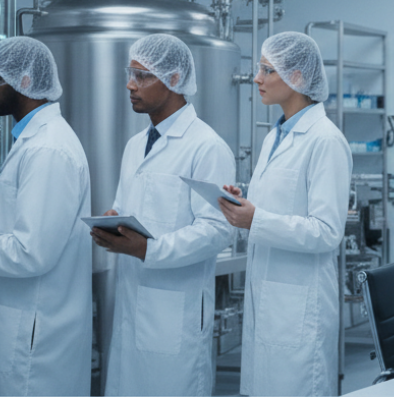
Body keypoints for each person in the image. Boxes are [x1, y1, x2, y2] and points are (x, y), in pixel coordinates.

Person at [90, 34, 236, 396]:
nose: (130, 85)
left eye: (142, 76)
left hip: (175, 314)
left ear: (174, 79)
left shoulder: (207, 147)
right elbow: (127, 206)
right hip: (131, 302)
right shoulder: (135, 145)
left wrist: (147, 249)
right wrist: (114, 220)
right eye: (130, 74)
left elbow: (217, 230)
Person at [217, 32, 352, 396]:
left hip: (299, 309)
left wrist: (255, 219)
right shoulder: (273, 137)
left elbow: (326, 231)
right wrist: (243, 203)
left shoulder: (325, 140)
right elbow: (280, 206)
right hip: (268, 301)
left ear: (296, 77)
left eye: (267, 70)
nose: (256, 78)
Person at [0, 37, 92, 396]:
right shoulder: (32, 141)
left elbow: (32, 252)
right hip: (28, 324)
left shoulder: (48, 149)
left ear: (23, 82)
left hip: (37, 336)